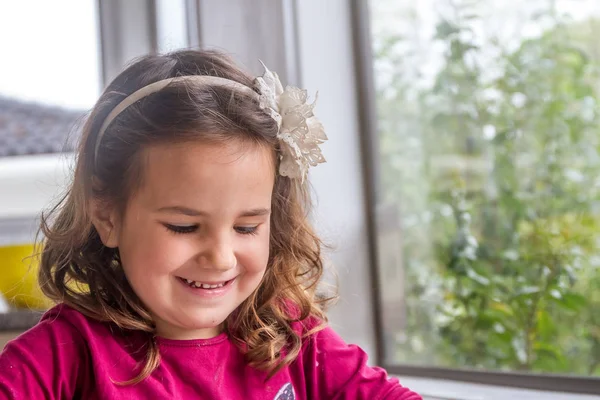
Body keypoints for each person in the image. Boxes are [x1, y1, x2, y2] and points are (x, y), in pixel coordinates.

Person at [0, 49, 422, 400]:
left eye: (246, 228)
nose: (220, 258)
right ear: (108, 217)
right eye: (184, 227)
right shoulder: (63, 355)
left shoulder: (293, 337)